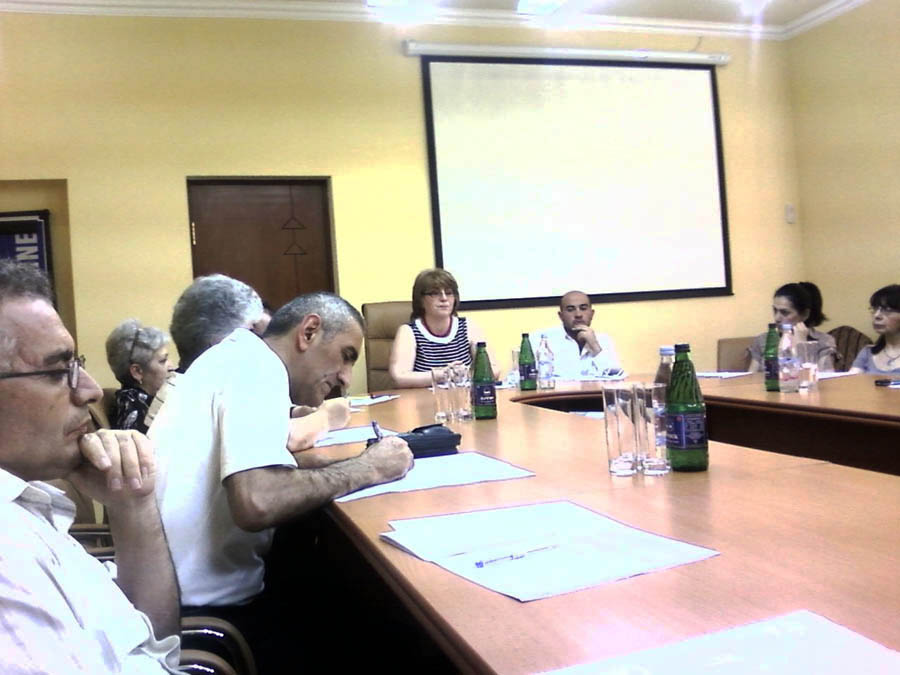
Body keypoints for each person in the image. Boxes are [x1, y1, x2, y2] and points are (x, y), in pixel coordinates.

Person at [151, 290, 413, 671]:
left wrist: (339, 465)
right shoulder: (257, 368)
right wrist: (369, 468)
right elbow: (257, 502)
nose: (345, 377)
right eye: (346, 356)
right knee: (385, 623)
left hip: (178, 595)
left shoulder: (238, 358)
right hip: (209, 619)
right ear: (308, 332)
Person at [0, 260, 180, 673]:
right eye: (57, 371)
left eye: (76, 364)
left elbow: (149, 643)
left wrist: (133, 504)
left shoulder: (26, 502)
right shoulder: (7, 560)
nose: (91, 390)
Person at [143, 273, 265, 430]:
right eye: (249, 332)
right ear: (217, 342)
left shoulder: (186, 391)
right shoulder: (188, 408)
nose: (257, 345)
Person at [389, 268, 499, 388]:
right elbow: (400, 377)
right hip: (425, 398)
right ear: (421, 300)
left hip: (464, 396)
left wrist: (463, 373)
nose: (444, 298)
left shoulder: (468, 326)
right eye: (435, 293)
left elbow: (494, 370)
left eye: (449, 293)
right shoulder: (409, 332)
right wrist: (442, 374)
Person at [532, 290, 622, 380]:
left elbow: (616, 377)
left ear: (592, 314)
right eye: (570, 310)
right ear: (561, 316)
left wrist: (595, 346)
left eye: (583, 308)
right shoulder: (540, 340)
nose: (578, 314)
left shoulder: (603, 340)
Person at [748, 282, 836, 372]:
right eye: (775, 310)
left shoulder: (823, 341)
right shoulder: (763, 340)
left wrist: (801, 345)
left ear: (805, 314)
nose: (777, 318)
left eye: (785, 312)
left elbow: (827, 377)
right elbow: (750, 377)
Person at [105, 319, 173, 433]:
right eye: (163, 360)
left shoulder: (133, 400)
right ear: (137, 371)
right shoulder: (136, 411)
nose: (171, 366)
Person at [849, 284, 900, 374]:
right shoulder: (867, 352)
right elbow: (851, 379)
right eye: (875, 309)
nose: (877, 315)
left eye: (887, 309)